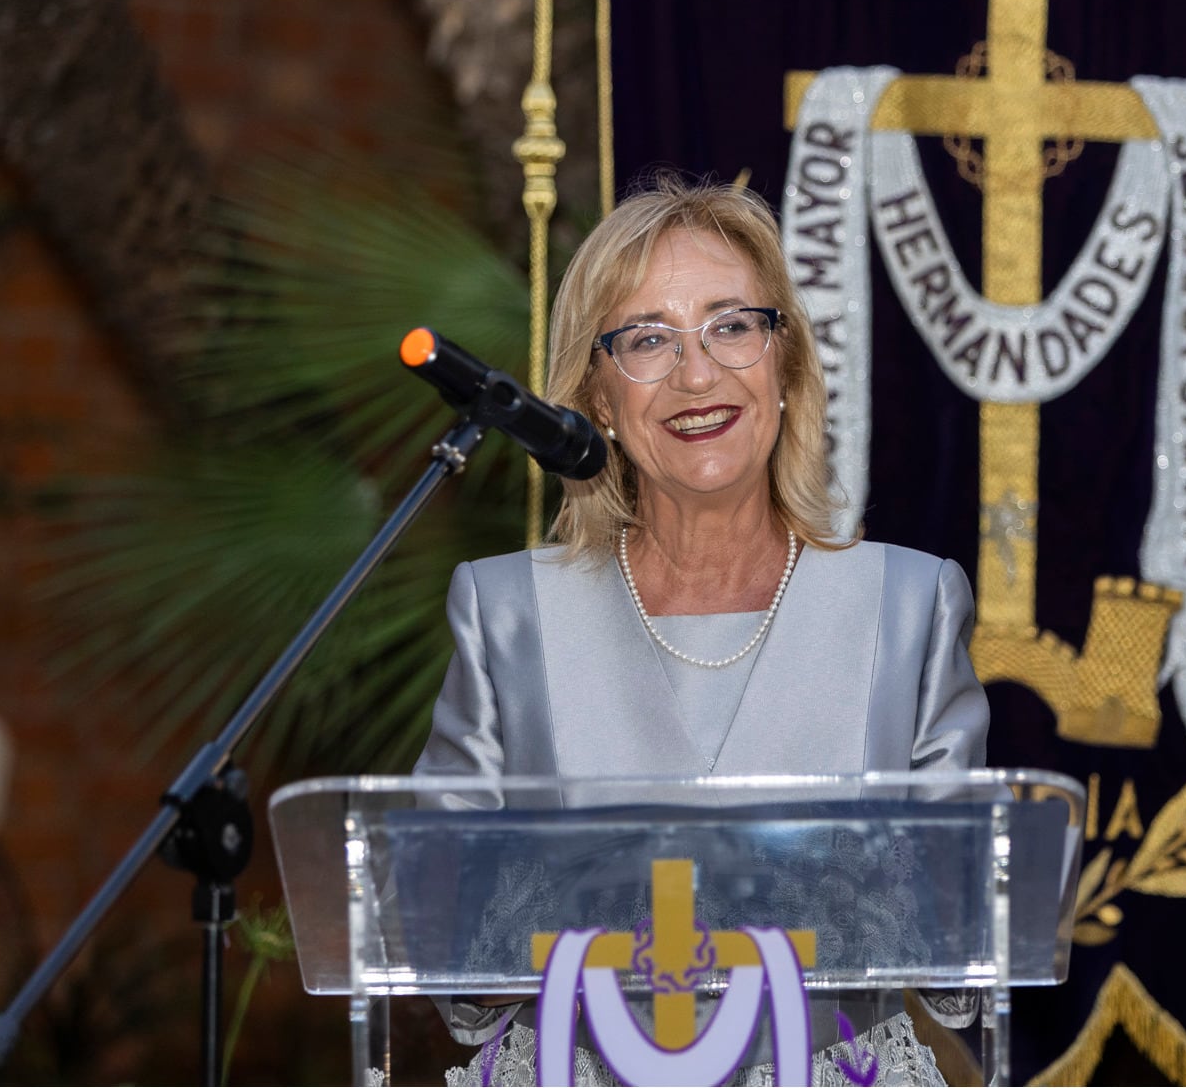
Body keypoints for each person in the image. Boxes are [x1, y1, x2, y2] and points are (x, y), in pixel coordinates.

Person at [413, 176, 989, 1086]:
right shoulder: (508, 614)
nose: (695, 374)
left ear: (784, 367)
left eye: (730, 326)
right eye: (646, 339)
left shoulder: (909, 606)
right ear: (597, 398)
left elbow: (968, 956)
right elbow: (453, 957)